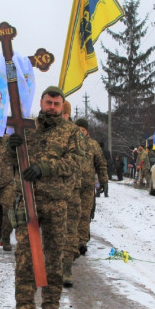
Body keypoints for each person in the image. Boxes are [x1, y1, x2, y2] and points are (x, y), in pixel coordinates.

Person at [8, 86, 79, 309]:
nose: (52, 107)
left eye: (57, 104)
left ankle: (51, 305)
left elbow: (73, 163)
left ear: (62, 106)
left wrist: (44, 168)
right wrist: (11, 146)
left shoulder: (71, 132)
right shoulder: (26, 127)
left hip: (56, 202)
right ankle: (25, 306)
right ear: (41, 102)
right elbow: (6, 162)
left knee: (54, 254)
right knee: (25, 255)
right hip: (28, 201)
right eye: (49, 102)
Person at [74, 118, 108, 257]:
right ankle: (70, 240)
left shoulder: (93, 145)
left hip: (87, 186)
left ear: (86, 130)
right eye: (78, 129)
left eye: (83, 129)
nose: (81, 132)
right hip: (71, 185)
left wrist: (103, 181)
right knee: (72, 214)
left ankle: (81, 242)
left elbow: (101, 163)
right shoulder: (70, 143)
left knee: (85, 214)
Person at [60, 100, 83, 288]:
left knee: (70, 231)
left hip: (72, 191)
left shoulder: (76, 135)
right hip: (51, 192)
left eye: (64, 113)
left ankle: (66, 269)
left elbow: (77, 161)